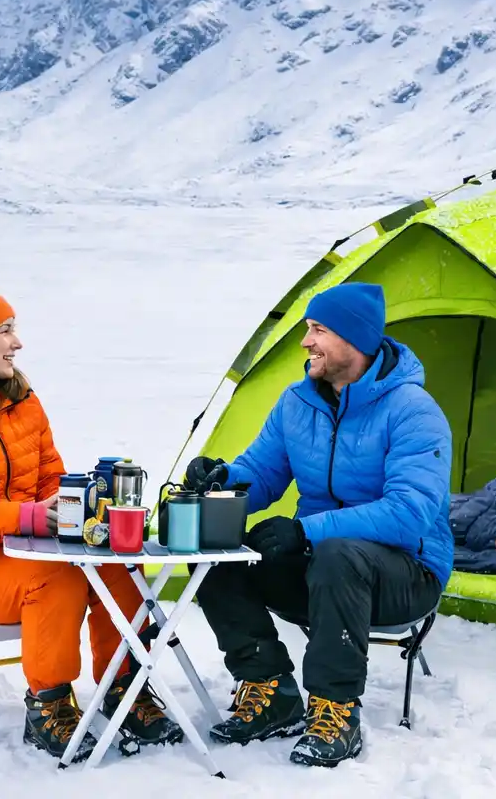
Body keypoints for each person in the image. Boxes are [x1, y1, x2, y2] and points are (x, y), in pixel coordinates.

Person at [0, 287, 182, 760]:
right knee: (56, 576)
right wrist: (24, 516)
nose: (17, 342)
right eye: (4, 331)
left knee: (117, 562)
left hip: (32, 549)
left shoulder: (22, 401)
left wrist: (91, 511)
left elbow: (52, 481)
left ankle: (123, 688)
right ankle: (49, 704)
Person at [184, 282, 452, 768]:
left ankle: (336, 712)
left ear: (357, 340)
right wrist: (223, 477)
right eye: (308, 329)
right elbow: (263, 473)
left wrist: (307, 532)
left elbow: (410, 513)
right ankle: (270, 690)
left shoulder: (413, 411)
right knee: (220, 555)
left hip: (407, 572)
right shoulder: (297, 402)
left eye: (318, 330)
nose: (306, 342)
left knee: (338, 554)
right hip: (321, 565)